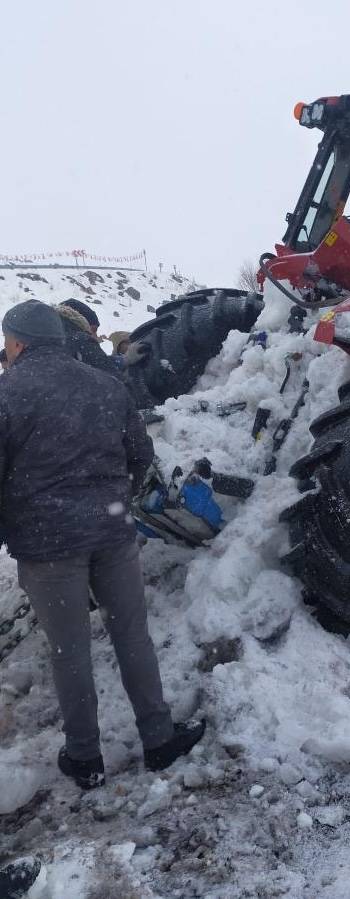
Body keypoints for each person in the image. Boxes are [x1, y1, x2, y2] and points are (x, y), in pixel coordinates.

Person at [0, 300, 205, 789]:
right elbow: (141, 455)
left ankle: (85, 757)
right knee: (132, 636)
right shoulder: (107, 386)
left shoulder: (6, 393)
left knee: (70, 652)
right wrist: (115, 499)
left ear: (20, 342)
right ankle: (159, 739)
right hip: (113, 536)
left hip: (48, 548)